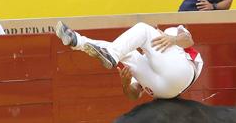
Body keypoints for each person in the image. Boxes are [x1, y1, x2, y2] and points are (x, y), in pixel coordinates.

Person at [55, 21, 203, 100]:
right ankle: (77, 41)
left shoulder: (169, 32)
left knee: (142, 29)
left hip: (182, 72)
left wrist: (173, 39)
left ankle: (111, 54)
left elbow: (188, 40)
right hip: (164, 92)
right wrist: (126, 85)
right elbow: (134, 95)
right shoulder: (145, 59)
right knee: (127, 54)